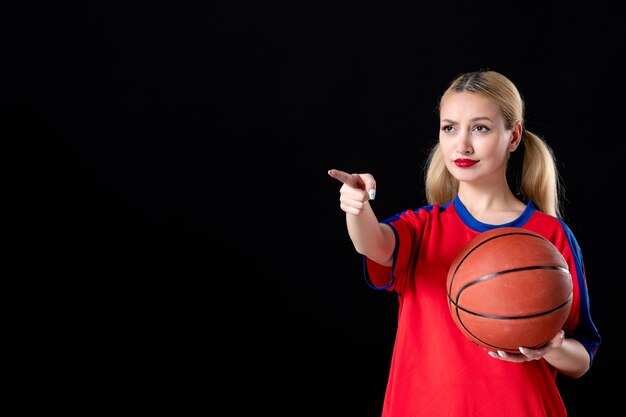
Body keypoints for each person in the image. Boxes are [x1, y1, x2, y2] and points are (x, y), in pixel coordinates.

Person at [328, 70, 601, 417]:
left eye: (481, 128)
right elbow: (374, 244)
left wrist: (551, 347)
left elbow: (582, 359)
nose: (462, 145)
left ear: (513, 136)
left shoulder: (550, 235)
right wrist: (358, 207)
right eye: (450, 127)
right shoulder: (422, 227)